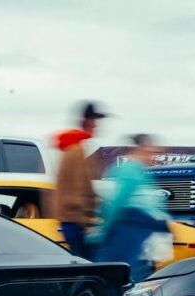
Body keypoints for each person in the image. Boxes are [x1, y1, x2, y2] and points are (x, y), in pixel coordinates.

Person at [94, 134, 171, 282]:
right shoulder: (131, 170)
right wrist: (105, 227)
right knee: (129, 270)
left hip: (137, 225)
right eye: (151, 152)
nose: (153, 157)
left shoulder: (137, 170)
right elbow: (118, 200)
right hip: (130, 225)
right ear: (140, 149)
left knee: (132, 268)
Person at [50, 102, 105, 258]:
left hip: (71, 220)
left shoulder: (72, 149)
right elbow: (79, 189)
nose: (97, 126)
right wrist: (87, 220)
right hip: (76, 222)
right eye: (95, 121)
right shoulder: (77, 150)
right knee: (88, 265)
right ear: (88, 122)